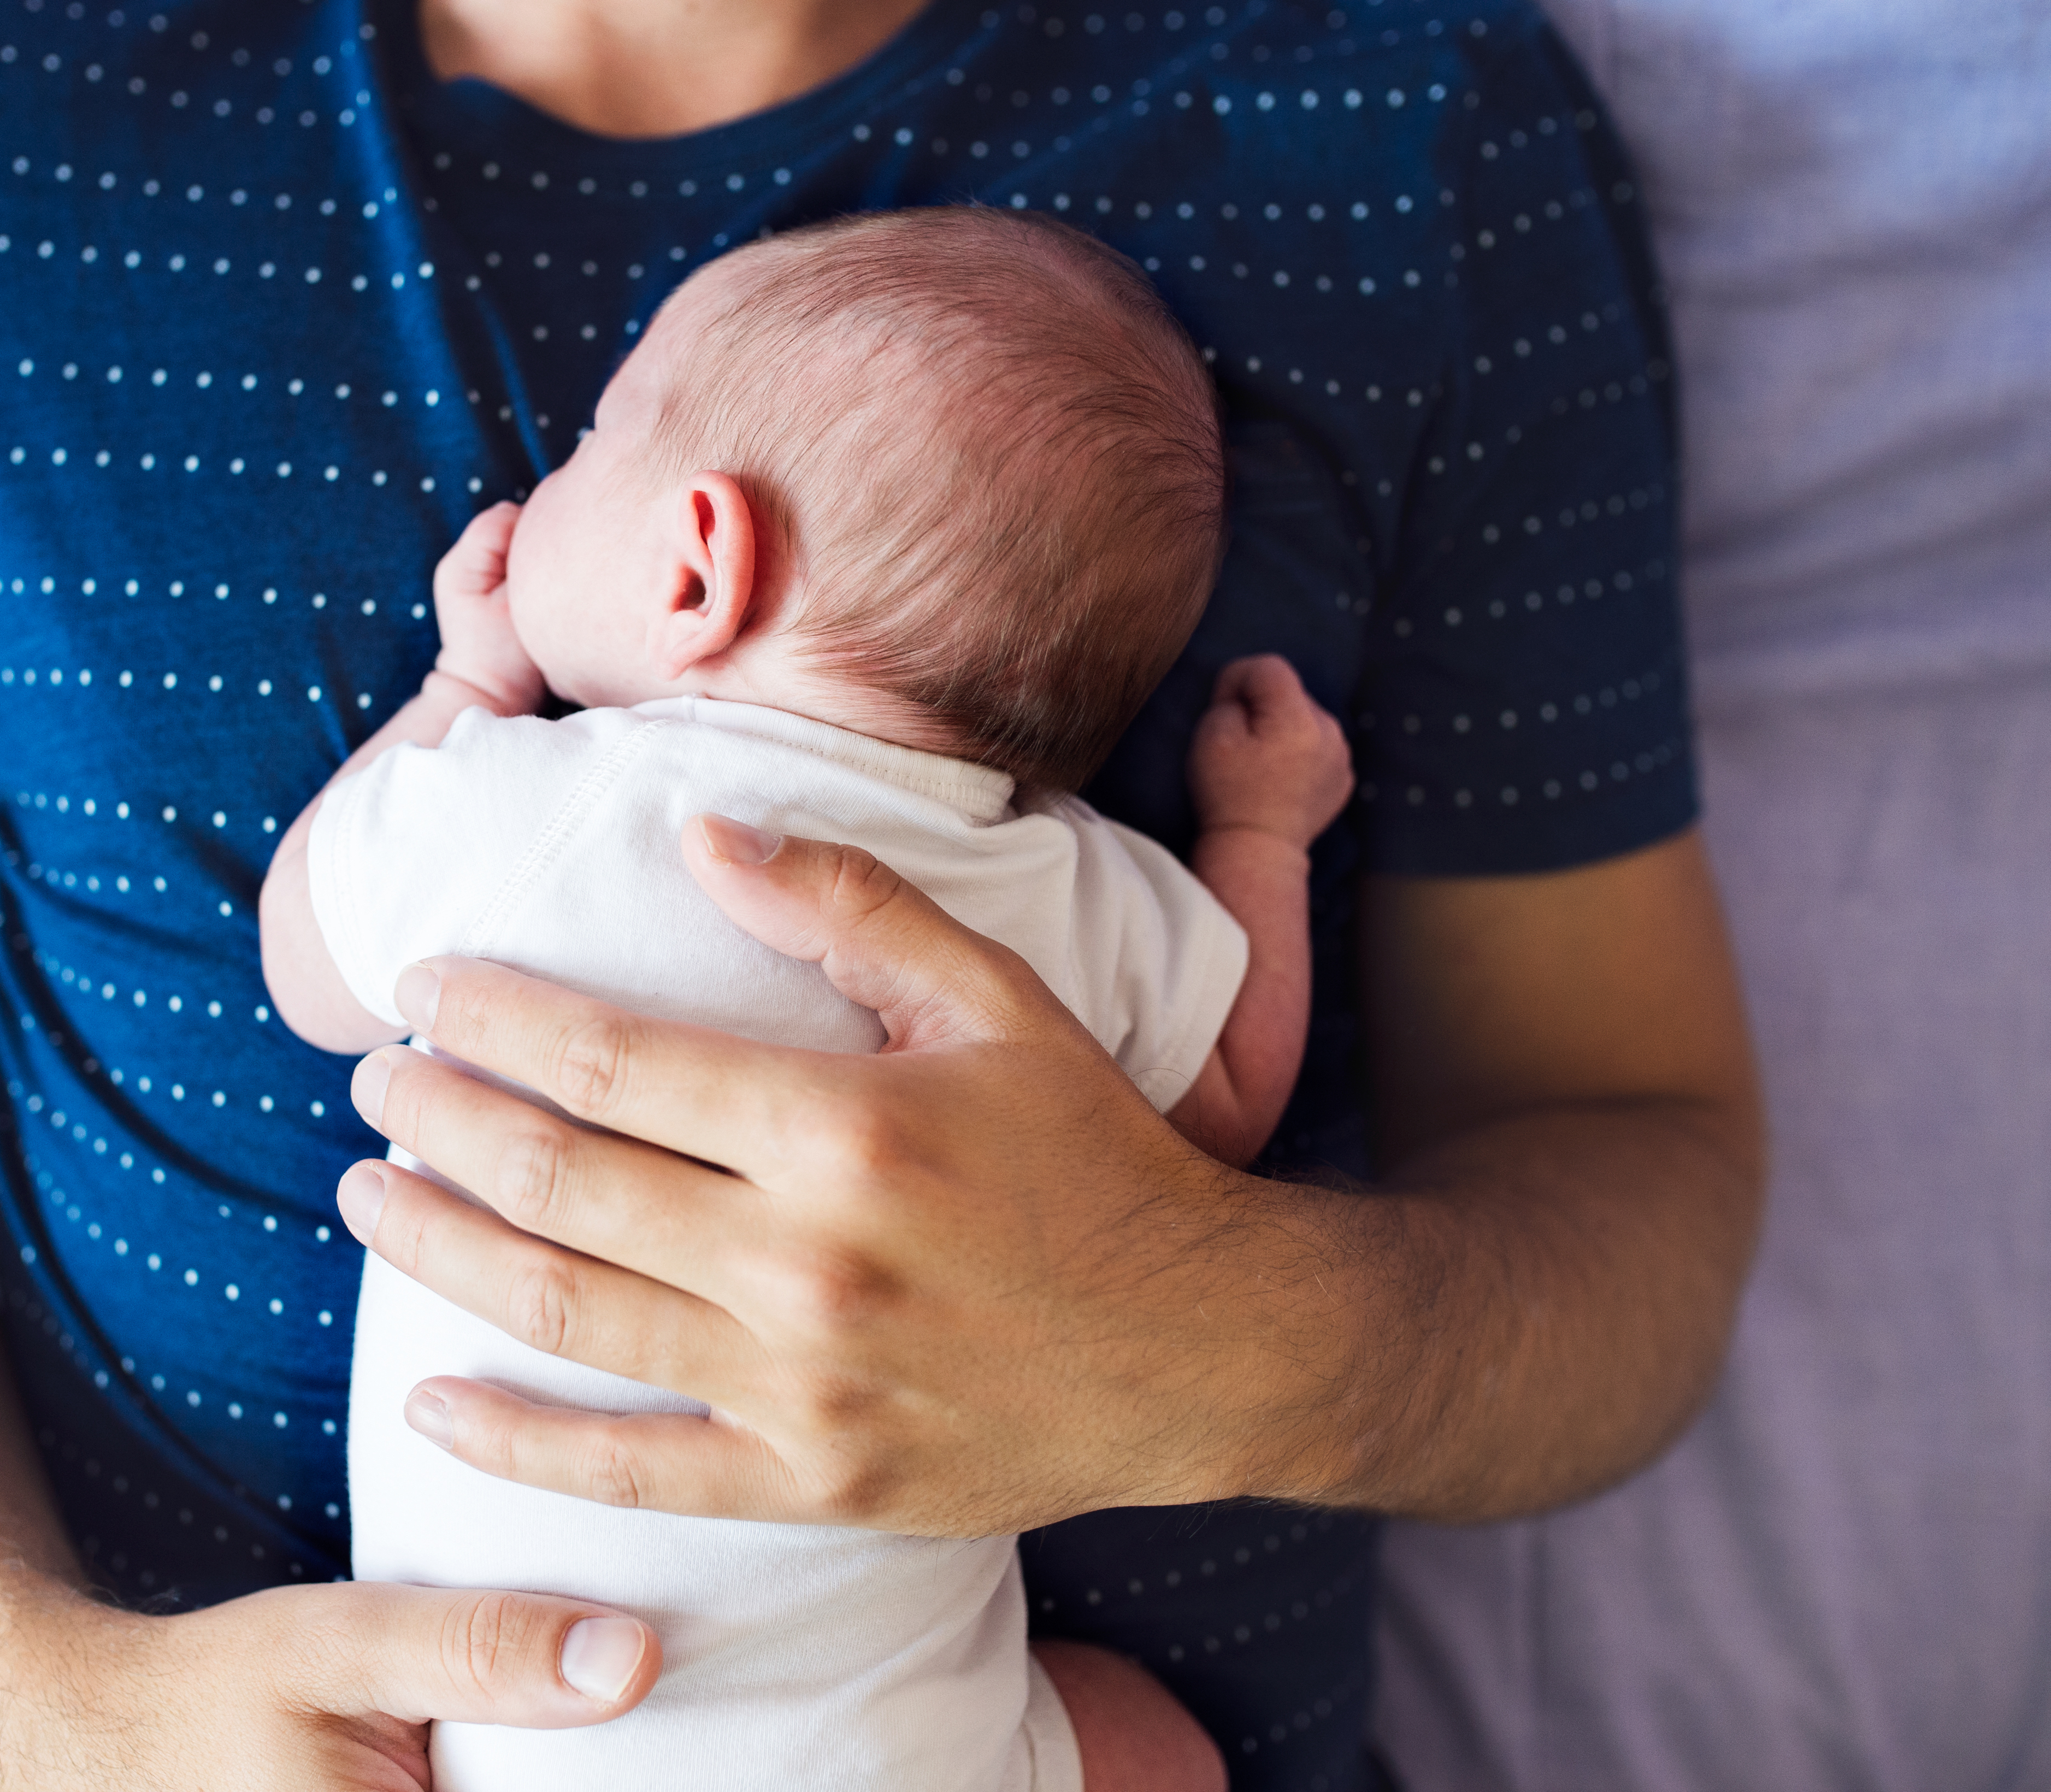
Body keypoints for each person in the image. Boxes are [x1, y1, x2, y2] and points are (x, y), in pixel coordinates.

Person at [0, 2, 1761, 1788]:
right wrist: (3, 1704)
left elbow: (1626, 1161)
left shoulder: (1393, 110)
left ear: (693, 556)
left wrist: (1207, 1348)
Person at [263, 208, 1351, 1791]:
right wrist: (1262, 836)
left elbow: (305, 971)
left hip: (522, 1724)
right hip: (908, 1752)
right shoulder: (1065, 891)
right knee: (1158, 1744)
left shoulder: (533, 806)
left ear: (699, 562)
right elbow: (1237, 1098)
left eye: (591, 446)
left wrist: (463, 695)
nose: (548, 481)